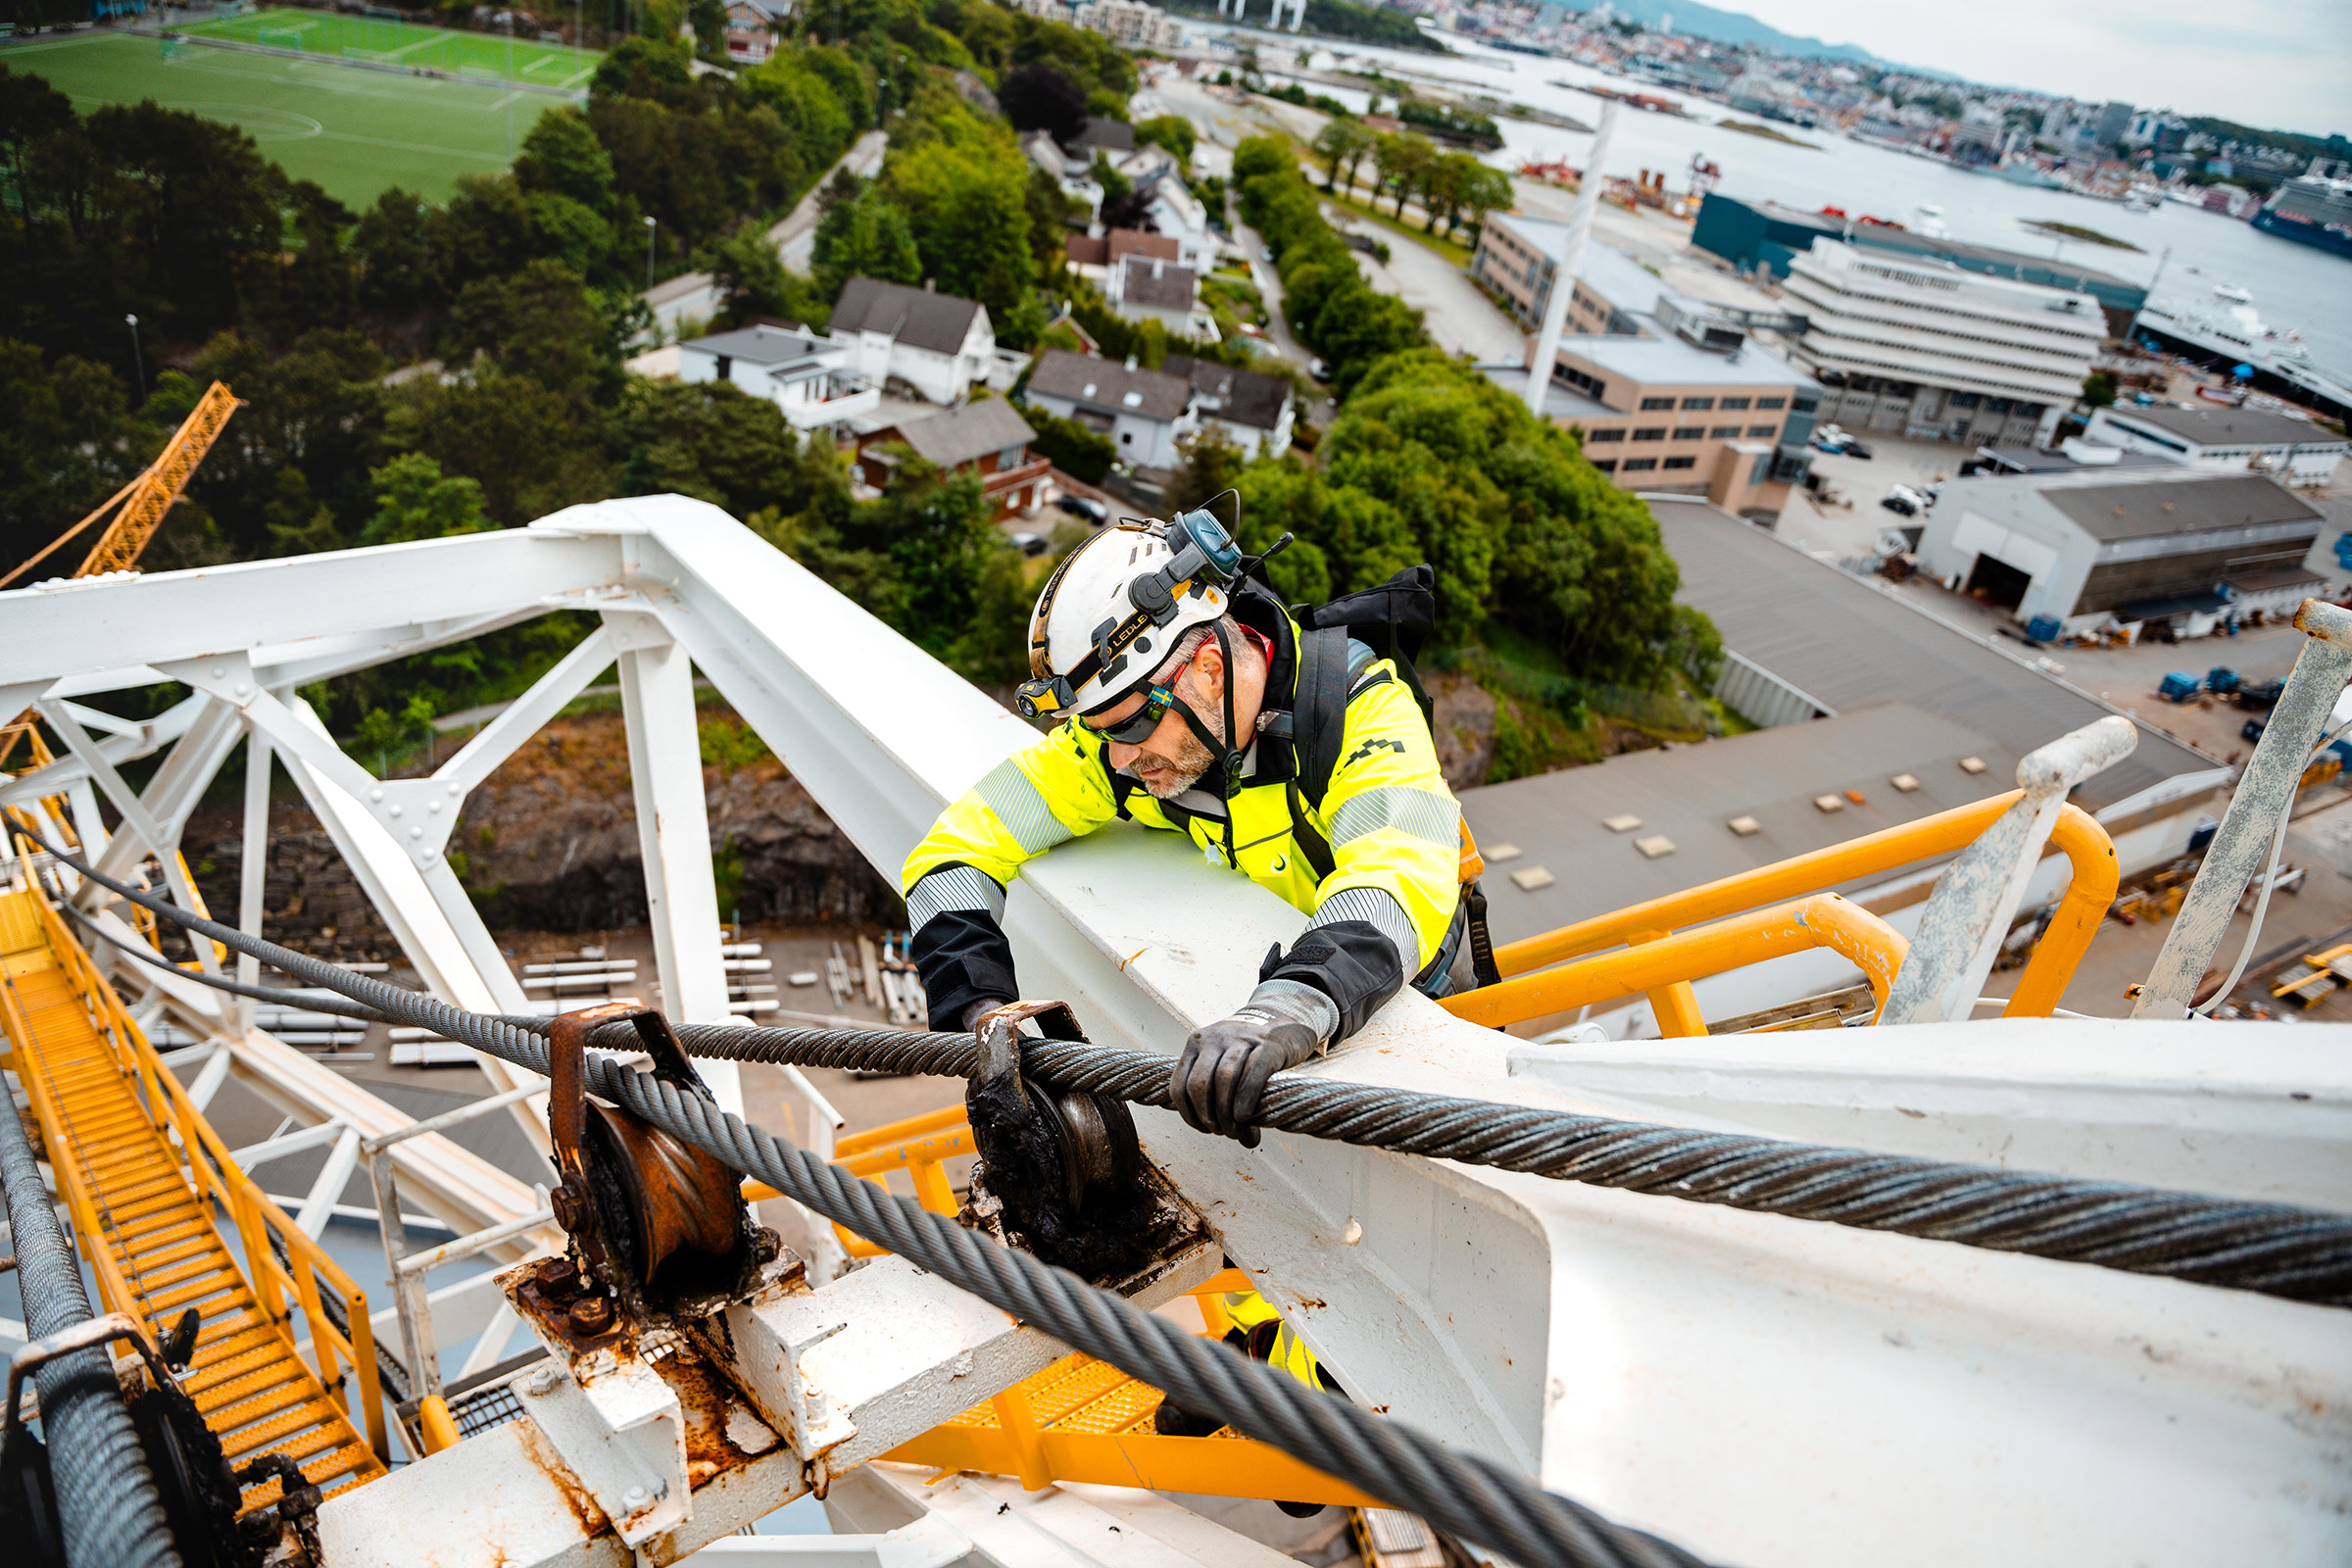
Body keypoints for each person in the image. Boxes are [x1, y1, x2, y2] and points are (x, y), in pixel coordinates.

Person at [902, 504, 1478, 1147]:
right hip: (1296, 1019)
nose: (1120, 759)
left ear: (1208, 668)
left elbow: (1397, 880)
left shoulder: (1358, 711)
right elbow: (956, 846)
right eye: (1099, 730)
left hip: (1419, 993)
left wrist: (1282, 1009)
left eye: (1130, 725)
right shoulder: (1117, 747)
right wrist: (981, 1011)